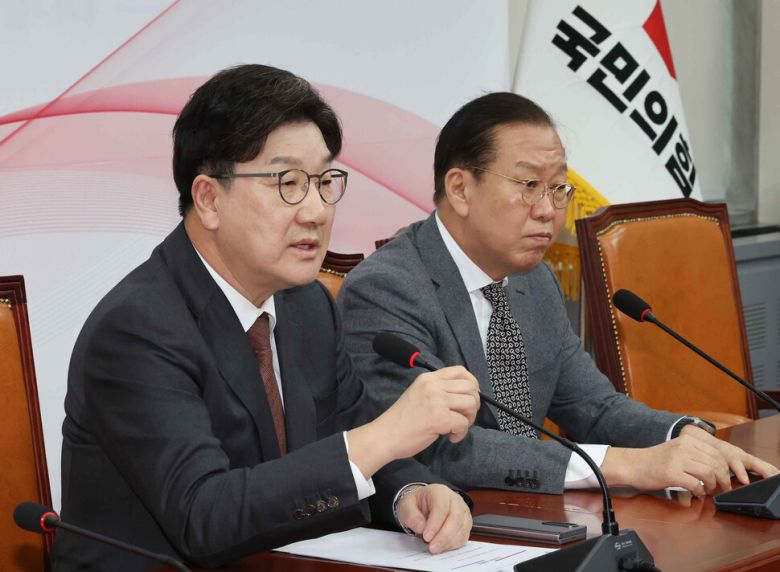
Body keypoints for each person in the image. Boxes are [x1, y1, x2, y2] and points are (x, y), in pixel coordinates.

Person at [54, 65, 480, 571]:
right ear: (209, 199)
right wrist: (386, 436)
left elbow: (353, 434)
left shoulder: (307, 306)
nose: (316, 211)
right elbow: (204, 515)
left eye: (324, 181)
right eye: (288, 183)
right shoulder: (137, 329)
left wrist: (414, 491)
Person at [337, 91, 778, 497]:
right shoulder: (387, 290)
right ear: (460, 189)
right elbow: (432, 451)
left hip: (537, 513)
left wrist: (685, 435)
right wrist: (623, 465)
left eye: (558, 188)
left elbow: (594, 407)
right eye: (528, 186)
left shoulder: (533, 280)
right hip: (444, 523)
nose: (549, 210)